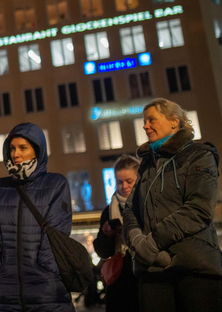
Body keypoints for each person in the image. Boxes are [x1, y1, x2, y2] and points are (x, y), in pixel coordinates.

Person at [122, 98, 222, 311]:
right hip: (152, 271)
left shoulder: (200, 155)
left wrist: (152, 244)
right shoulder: (147, 163)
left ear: (174, 122)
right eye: (144, 120)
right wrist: (137, 240)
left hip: (195, 269)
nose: (145, 125)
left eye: (151, 120)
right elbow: (131, 209)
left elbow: (198, 209)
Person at [0, 123, 74, 312]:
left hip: (46, 289)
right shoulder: (0, 187)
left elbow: (58, 230)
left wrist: (46, 269)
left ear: (37, 151)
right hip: (7, 291)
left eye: (23, 148)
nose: (15, 154)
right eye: (12, 148)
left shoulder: (56, 184)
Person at [93, 155, 140, 312]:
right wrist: (107, 234)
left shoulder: (146, 205)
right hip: (119, 279)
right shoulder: (109, 211)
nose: (123, 186)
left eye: (129, 181)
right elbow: (102, 251)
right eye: (119, 181)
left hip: (143, 275)